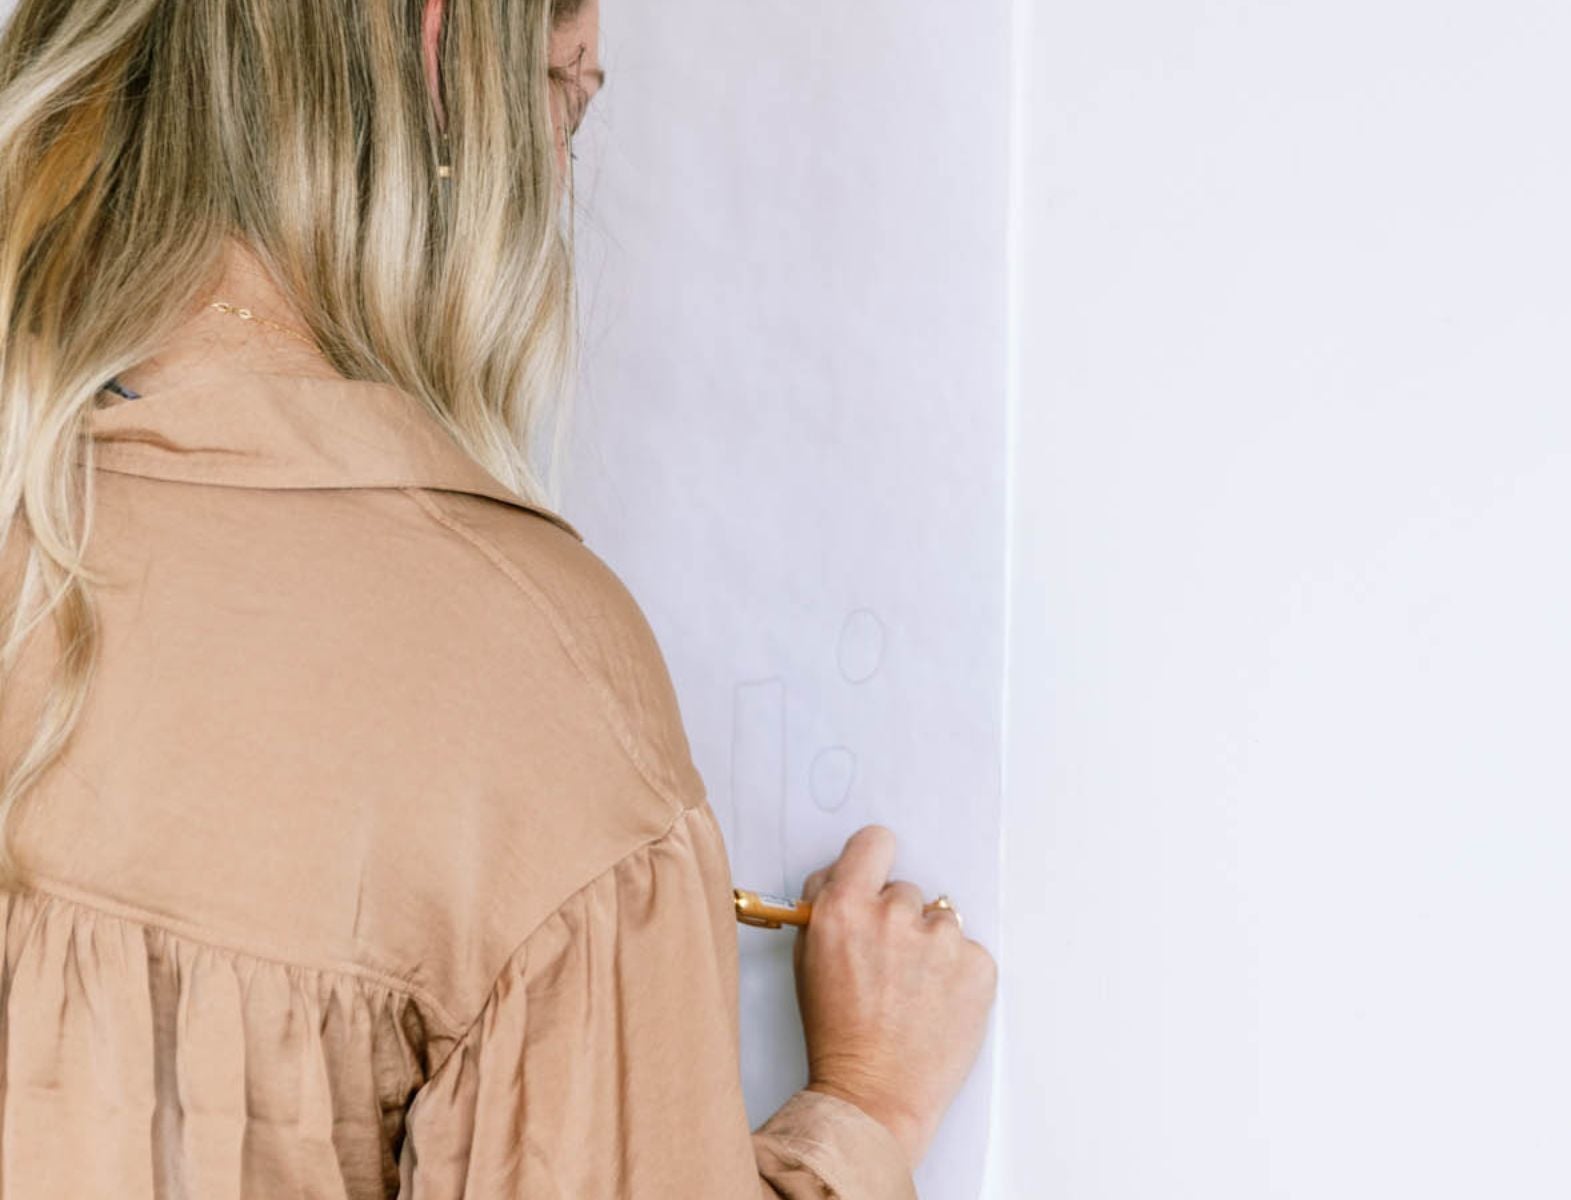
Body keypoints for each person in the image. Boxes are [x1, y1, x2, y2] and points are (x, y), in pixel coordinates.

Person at [0, 0, 997, 1195]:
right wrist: (866, 1110)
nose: (558, 187)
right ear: (437, 48)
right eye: (563, 97)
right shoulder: (535, 688)